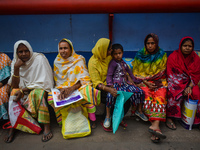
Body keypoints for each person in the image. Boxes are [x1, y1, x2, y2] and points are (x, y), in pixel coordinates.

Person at [4, 40, 54, 143]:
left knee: (38, 93)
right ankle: (12, 126)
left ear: (30, 50)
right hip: (22, 91)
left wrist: (23, 91)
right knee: (13, 93)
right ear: (16, 53)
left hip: (38, 89)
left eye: (26, 51)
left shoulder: (39, 59)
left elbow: (45, 83)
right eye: (20, 52)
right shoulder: (15, 62)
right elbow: (14, 86)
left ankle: (46, 126)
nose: (24, 54)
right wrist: (16, 68)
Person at [47, 38, 100, 130]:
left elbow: (84, 79)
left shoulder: (79, 60)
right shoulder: (57, 61)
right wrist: (62, 90)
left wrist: (71, 89)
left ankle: (92, 119)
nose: (63, 51)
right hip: (63, 88)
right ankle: (62, 120)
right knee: (51, 97)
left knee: (88, 90)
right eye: (61, 48)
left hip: (77, 87)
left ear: (71, 49)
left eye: (65, 48)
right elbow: (58, 81)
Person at [88, 38, 130, 131]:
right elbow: (96, 83)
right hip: (101, 88)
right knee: (112, 96)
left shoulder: (109, 57)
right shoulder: (93, 62)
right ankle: (105, 118)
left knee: (127, 96)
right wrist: (109, 89)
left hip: (113, 83)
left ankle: (118, 118)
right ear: (103, 50)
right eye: (110, 49)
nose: (111, 51)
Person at [132, 33, 167, 143]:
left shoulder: (162, 54)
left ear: (156, 43)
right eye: (148, 43)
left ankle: (154, 126)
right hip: (143, 82)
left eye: (153, 43)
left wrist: (153, 82)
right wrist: (146, 82)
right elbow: (135, 73)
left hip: (159, 81)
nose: (150, 46)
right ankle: (156, 127)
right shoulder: (139, 55)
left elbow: (162, 71)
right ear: (145, 44)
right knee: (146, 95)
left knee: (160, 95)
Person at [104, 43, 147, 128]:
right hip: (116, 85)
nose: (117, 55)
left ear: (122, 53)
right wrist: (110, 85)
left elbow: (130, 74)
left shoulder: (123, 63)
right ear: (112, 55)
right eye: (115, 54)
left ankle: (139, 111)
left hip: (124, 84)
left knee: (140, 92)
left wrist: (137, 81)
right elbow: (109, 75)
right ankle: (108, 116)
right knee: (109, 95)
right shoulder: (112, 63)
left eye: (119, 53)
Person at [166, 36, 200, 130]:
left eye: (189, 46)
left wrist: (189, 86)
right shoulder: (173, 57)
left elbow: (196, 75)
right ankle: (170, 117)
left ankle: (194, 120)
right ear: (180, 46)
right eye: (185, 45)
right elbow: (171, 74)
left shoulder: (195, 58)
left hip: (190, 83)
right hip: (176, 82)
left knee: (196, 93)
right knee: (172, 92)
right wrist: (182, 87)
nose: (187, 48)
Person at [0, 53, 11, 121]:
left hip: (5, 83)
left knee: (2, 94)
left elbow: (8, 76)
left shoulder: (4, 57)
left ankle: (5, 116)